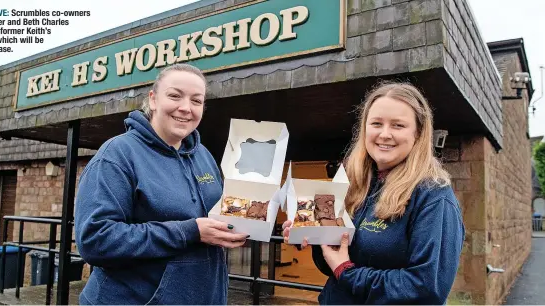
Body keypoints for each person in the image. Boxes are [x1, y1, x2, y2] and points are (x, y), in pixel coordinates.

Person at [75, 64, 248, 305]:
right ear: (153, 100)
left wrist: (239, 227)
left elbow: (214, 220)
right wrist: (189, 232)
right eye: (175, 96)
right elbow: (95, 239)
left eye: (196, 101)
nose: (186, 108)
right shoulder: (118, 155)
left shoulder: (204, 156)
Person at [282, 82, 465, 304]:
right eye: (376, 123)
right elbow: (332, 267)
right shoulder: (355, 183)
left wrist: (347, 271)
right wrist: (313, 236)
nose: (385, 134)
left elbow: (427, 287)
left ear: (418, 134)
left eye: (398, 125)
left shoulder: (433, 196)